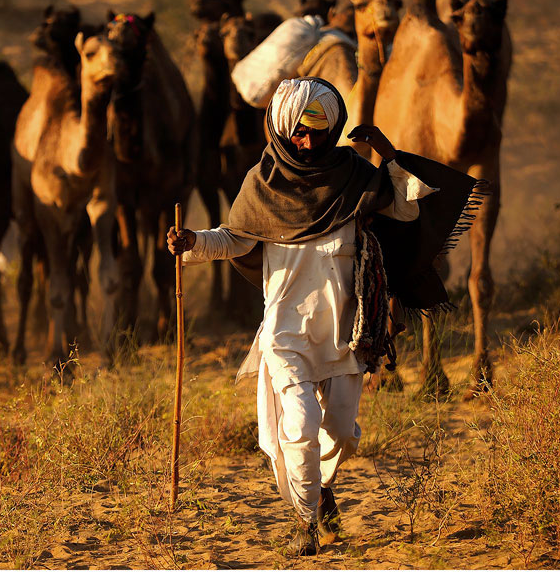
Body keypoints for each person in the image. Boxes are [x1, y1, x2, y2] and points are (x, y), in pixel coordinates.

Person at [167, 77, 480, 556]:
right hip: (286, 332)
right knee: (299, 427)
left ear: (332, 130)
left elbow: (407, 209)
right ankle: (307, 522)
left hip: (345, 331)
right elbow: (235, 238)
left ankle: (321, 492)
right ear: (281, 127)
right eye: (299, 132)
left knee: (340, 434)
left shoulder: (355, 176)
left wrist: (386, 153)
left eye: (318, 132)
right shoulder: (261, 183)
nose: (309, 142)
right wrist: (192, 242)